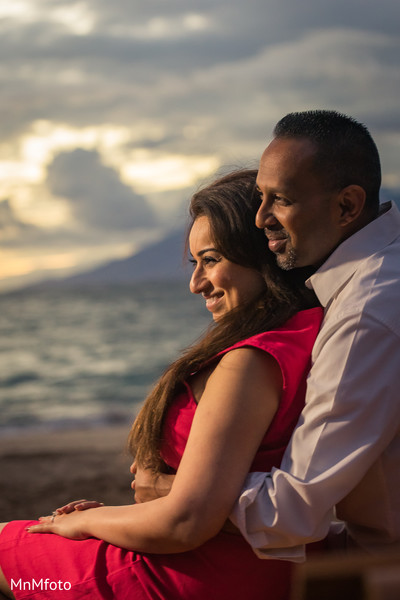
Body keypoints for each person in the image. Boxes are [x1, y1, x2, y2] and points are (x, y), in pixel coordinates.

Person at [0, 170, 323, 600]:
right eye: (195, 264)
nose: (195, 284)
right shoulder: (305, 336)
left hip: (195, 576)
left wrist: (81, 524)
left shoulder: (251, 362)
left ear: (261, 253)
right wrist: (124, 516)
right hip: (249, 564)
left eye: (210, 260)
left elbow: (185, 523)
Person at [131, 110, 400, 562]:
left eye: (280, 200)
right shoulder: (361, 288)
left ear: (347, 207)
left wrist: (176, 490)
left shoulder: (367, 315)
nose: (259, 220)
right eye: (259, 197)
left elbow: (290, 510)